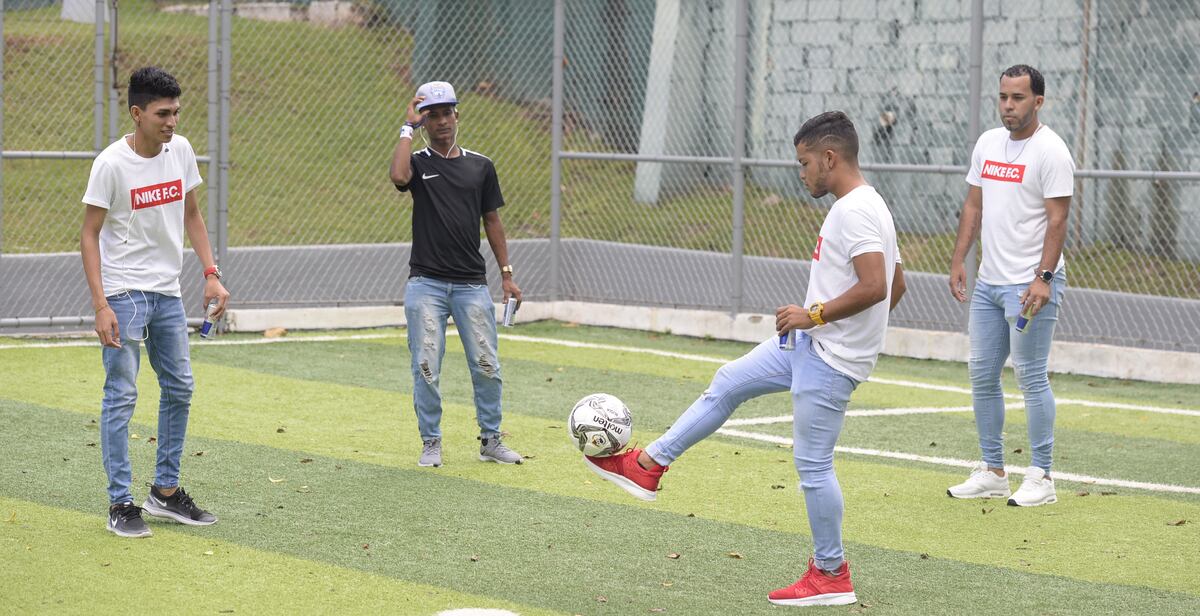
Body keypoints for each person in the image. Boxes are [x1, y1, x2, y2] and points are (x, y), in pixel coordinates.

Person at [584, 111, 906, 607]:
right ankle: (648, 465)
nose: (800, 174)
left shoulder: (855, 211)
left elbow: (876, 287)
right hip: (810, 346)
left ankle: (830, 574)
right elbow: (895, 288)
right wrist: (843, 327)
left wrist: (817, 316)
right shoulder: (869, 204)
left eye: (804, 164)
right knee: (730, 380)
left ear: (829, 157)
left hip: (828, 357)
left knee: (814, 467)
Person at [80, 66, 229, 538]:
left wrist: (210, 273)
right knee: (122, 395)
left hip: (166, 291)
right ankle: (120, 503)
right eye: (163, 113)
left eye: (177, 112)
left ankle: (164, 493)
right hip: (123, 293)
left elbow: (192, 214)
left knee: (180, 387)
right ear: (138, 113)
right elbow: (89, 234)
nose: (172, 122)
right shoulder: (110, 164)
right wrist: (101, 304)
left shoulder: (180, 151)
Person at [947, 64, 1074, 507]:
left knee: (1031, 376)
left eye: (1017, 98)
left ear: (1038, 101)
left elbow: (1058, 220)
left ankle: (1042, 475)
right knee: (982, 374)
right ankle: (993, 471)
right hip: (987, 284)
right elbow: (973, 205)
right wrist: (960, 259)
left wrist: (1043, 279)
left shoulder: (1052, 151)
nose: (1008, 106)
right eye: (1003, 97)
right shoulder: (987, 143)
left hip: (1029, 287)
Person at [389, 81, 523, 468]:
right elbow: (398, 177)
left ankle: (491, 439)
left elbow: (493, 220)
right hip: (425, 284)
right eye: (433, 115)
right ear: (425, 121)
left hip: (471, 285)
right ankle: (431, 442)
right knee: (426, 365)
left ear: (457, 116)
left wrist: (507, 274)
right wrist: (406, 127)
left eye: (448, 113)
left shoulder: (480, 166)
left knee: (487, 364)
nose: (443, 121)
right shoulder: (418, 162)